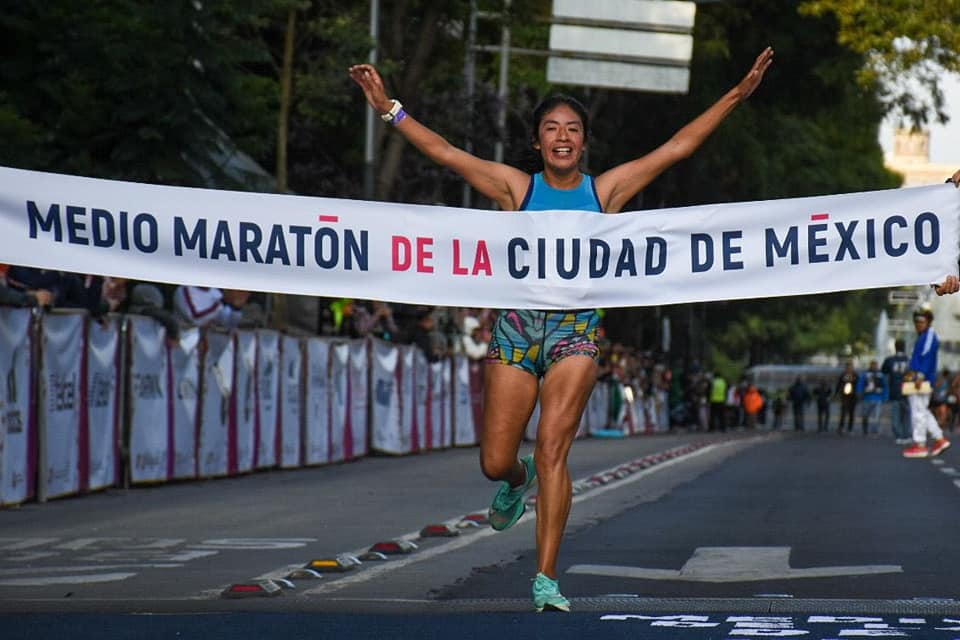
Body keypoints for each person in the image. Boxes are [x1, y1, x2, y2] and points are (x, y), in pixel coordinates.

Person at [350, 46, 773, 612]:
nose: (562, 136)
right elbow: (446, 153)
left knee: (554, 449)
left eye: (572, 128)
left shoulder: (607, 192)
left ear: (584, 142)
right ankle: (513, 479)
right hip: (515, 335)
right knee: (496, 461)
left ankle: (546, 576)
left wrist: (737, 95)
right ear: (538, 142)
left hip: (576, 335)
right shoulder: (514, 189)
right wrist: (388, 109)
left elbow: (677, 147)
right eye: (552, 128)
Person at [902, 307, 951, 458]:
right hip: (917, 377)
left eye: (922, 321)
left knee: (918, 412)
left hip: (921, 379)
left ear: (928, 321)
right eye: (916, 321)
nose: (918, 324)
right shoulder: (923, 336)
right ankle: (939, 439)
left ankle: (920, 444)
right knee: (922, 410)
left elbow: (926, 356)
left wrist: (921, 375)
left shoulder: (929, 335)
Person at [881, 338, 912, 445]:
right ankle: (906, 434)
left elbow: (884, 371)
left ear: (895, 347)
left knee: (895, 414)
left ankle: (898, 435)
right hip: (907, 390)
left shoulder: (889, 360)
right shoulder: (909, 360)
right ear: (904, 347)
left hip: (894, 389)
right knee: (907, 414)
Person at [855, 359, 887, 436]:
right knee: (865, 414)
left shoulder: (881, 375)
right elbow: (860, 384)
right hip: (867, 397)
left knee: (877, 416)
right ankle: (865, 428)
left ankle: (875, 430)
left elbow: (885, 386)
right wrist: (859, 393)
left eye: (875, 365)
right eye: (873, 365)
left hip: (878, 397)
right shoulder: (865, 374)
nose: (874, 366)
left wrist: (885, 396)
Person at [836, 362, 858, 434]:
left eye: (850, 367)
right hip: (844, 395)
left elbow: (858, 384)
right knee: (843, 411)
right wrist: (836, 394)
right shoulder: (843, 375)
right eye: (848, 368)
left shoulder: (855, 375)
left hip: (853, 395)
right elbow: (839, 384)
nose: (849, 369)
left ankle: (850, 428)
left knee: (851, 412)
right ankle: (841, 427)